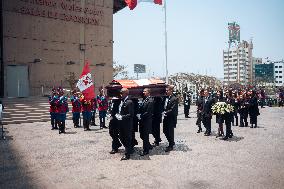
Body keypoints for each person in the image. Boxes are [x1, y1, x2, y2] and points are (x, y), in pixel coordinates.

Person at [116, 88, 134, 160]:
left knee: (127, 139)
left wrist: (121, 117)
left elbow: (130, 114)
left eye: (121, 93)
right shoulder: (122, 101)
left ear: (125, 93)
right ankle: (129, 150)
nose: (120, 94)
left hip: (127, 124)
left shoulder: (129, 102)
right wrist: (118, 115)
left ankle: (127, 154)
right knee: (121, 137)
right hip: (121, 123)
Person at [137, 88, 154, 156]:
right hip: (142, 120)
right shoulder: (145, 99)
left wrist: (140, 116)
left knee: (145, 136)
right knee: (142, 135)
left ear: (149, 92)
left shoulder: (150, 100)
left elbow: (148, 112)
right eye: (143, 91)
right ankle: (149, 146)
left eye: (145, 91)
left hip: (146, 121)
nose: (143, 92)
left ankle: (146, 150)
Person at [163, 85, 178, 152]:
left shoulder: (174, 99)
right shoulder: (166, 97)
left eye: (167, 90)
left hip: (171, 118)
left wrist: (165, 112)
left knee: (170, 132)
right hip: (166, 117)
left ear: (171, 91)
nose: (166, 91)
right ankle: (171, 141)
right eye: (166, 90)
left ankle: (171, 145)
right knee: (165, 131)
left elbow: (173, 110)